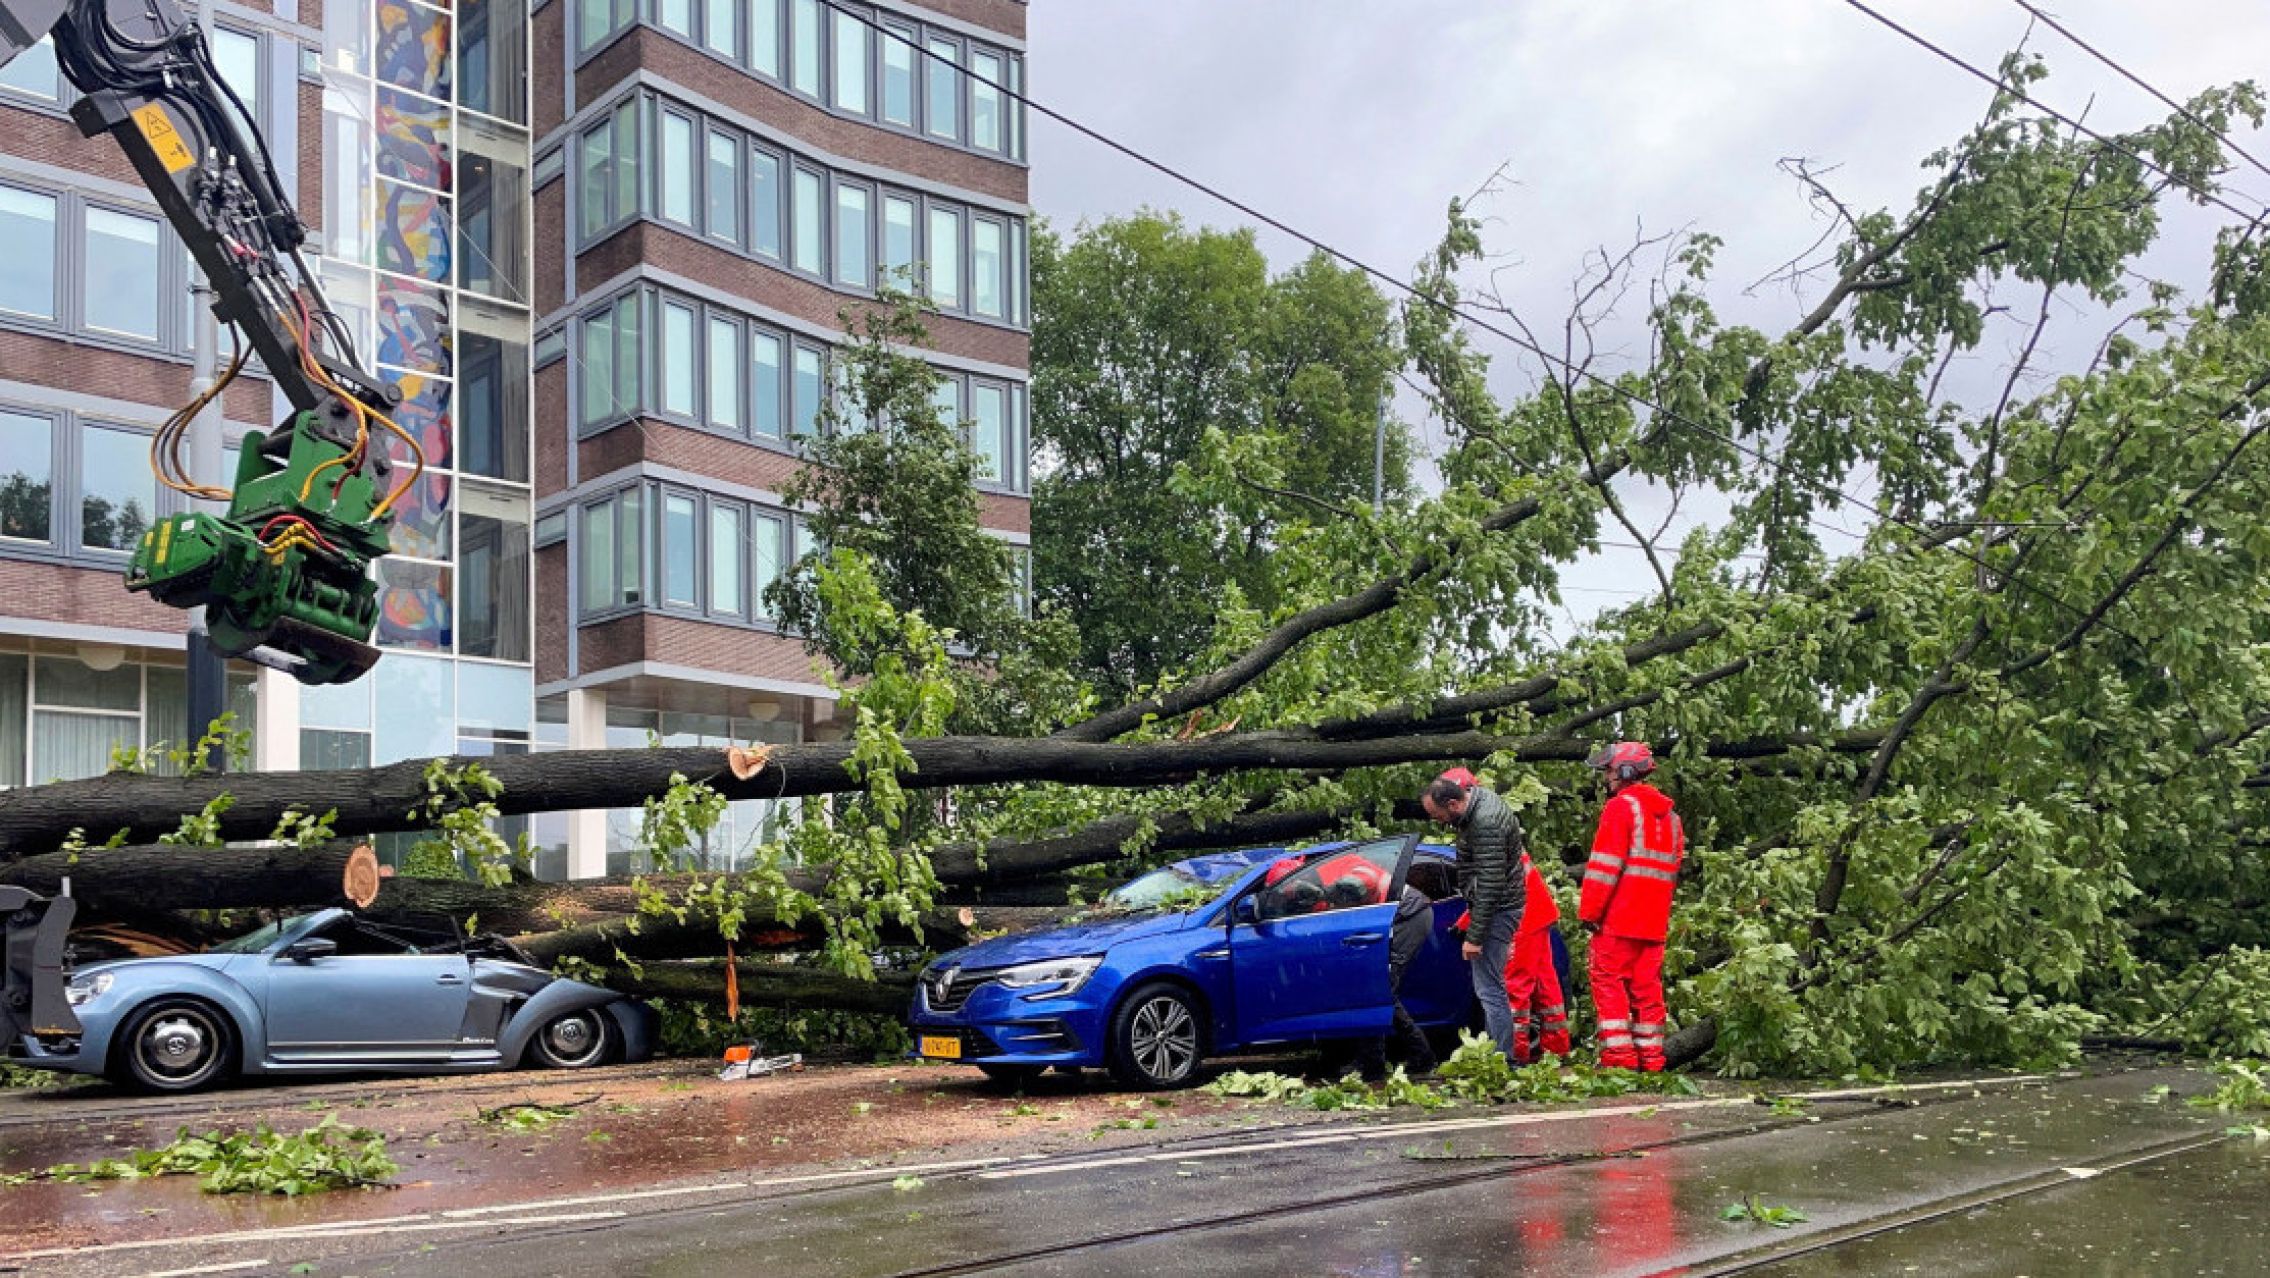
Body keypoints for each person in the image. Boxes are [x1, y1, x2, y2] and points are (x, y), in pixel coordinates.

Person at [1578, 742, 1685, 1072]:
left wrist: (1589, 913)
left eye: (1610, 770)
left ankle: (1620, 1062)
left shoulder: (1620, 808)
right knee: (1647, 990)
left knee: (1608, 985)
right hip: (1653, 923)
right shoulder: (1672, 820)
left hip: (1618, 920)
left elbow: (1603, 868)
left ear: (1624, 771)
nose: (1607, 777)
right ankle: (1651, 1061)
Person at [1421, 771, 1530, 1061]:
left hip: (1500, 909)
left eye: (1438, 814)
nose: (1439, 821)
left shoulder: (1484, 822)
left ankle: (1502, 1058)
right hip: (1500, 905)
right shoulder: (1478, 806)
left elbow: (1491, 883)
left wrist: (1475, 937)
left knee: (1489, 988)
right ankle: (1499, 1055)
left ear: (1454, 804)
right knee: (1490, 986)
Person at [1502, 848, 1571, 1063]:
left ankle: (1515, 1054)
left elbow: (1490, 889)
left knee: (1515, 987)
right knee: (1546, 987)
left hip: (1521, 917)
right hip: (1537, 913)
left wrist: (1467, 924)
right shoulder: (1497, 831)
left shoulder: (1483, 837)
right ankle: (1556, 1050)